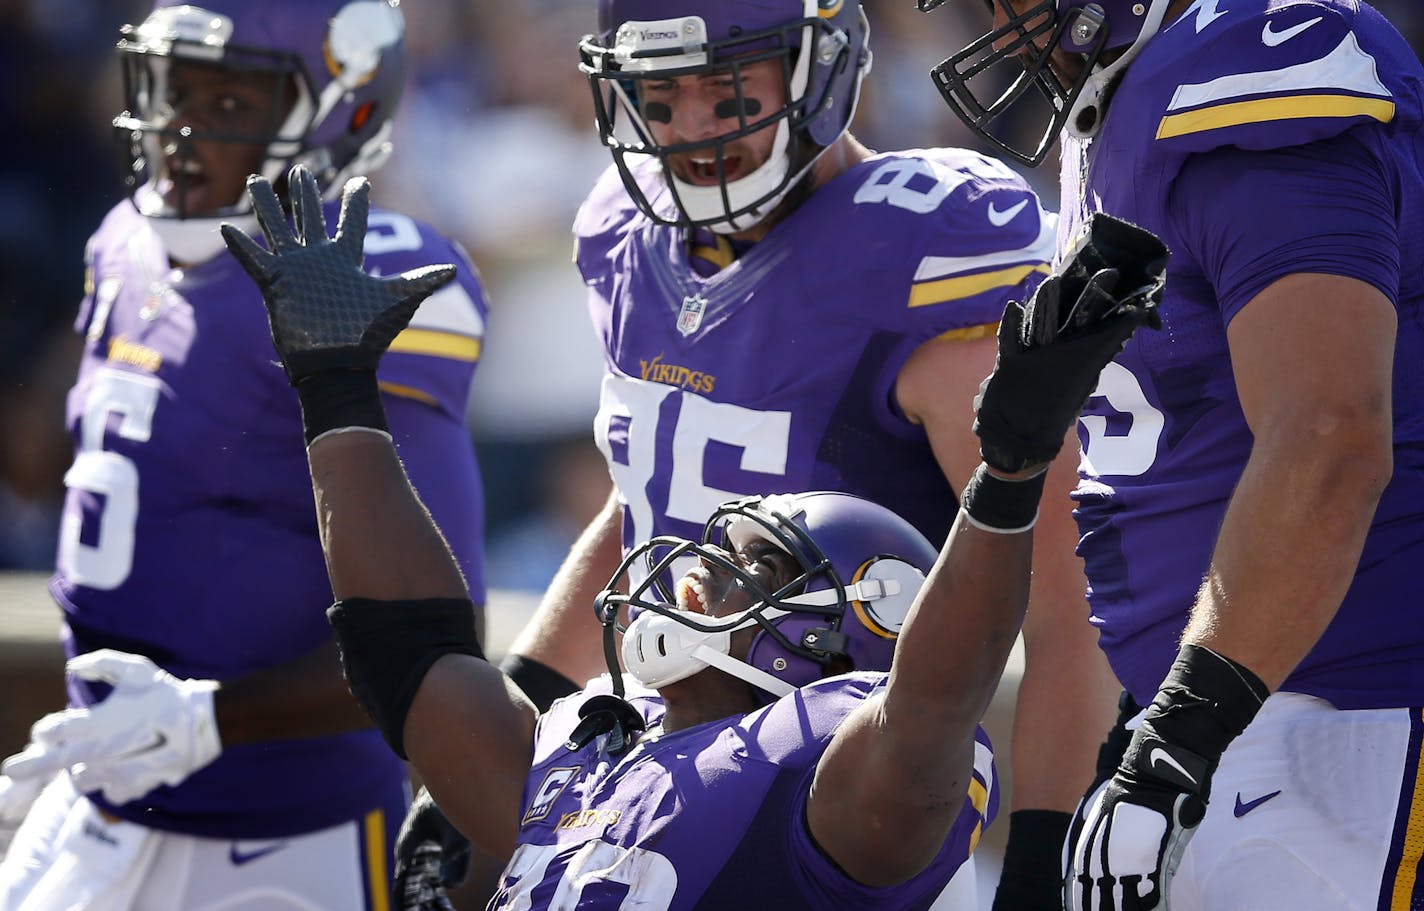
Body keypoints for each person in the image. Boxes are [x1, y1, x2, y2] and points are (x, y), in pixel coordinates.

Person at [217, 160, 1162, 910]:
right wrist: (337, 398)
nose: (693, 562)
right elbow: (409, 654)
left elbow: (938, 694)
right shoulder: (583, 760)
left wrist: (1009, 474)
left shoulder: (824, 779)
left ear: (841, 631)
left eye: (751, 563)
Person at [424, 3, 1123, 908]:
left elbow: (1070, 602)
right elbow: (645, 496)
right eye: (661, 93)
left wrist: (1047, 846)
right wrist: (517, 707)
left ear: (819, 67)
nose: (693, 127)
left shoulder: (924, 253)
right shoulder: (624, 235)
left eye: (727, 86)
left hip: (837, 798)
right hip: (653, 763)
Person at [920, 0, 1424, 908]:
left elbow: (1330, 435)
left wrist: (1177, 738)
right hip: (1221, 723)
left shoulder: (1247, 56)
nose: (999, 17)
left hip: (1350, 724)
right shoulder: (1130, 97)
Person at [0, 2, 489, 908]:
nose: (181, 132)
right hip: (104, 800)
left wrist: (209, 722)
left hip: (284, 838)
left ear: (339, 113)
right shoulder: (123, 242)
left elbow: (438, 635)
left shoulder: (368, 278)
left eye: (231, 105)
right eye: (173, 90)